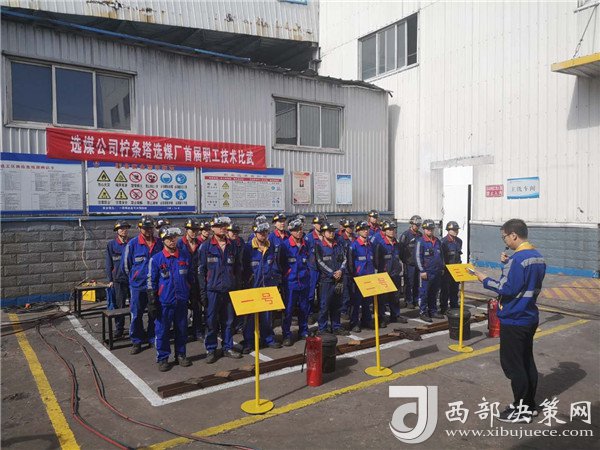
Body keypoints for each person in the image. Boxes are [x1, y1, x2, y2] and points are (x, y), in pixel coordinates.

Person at [472, 219, 546, 423]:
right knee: (526, 361)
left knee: (513, 365)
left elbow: (507, 288)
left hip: (514, 318)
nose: (504, 241)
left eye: (504, 237)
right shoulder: (537, 257)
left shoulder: (518, 260)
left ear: (514, 235)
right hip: (528, 316)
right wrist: (508, 264)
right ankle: (529, 405)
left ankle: (522, 411)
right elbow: (525, 281)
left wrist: (484, 279)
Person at [147, 226, 194, 372]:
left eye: (174, 238)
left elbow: (190, 277)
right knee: (162, 331)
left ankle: (181, 355)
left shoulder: (184, 256)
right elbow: (151, 281)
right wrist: (152, 301)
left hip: (181, 300)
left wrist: (190, 293)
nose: (172, 241)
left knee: (182, 329)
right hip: (164, 302)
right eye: (168, 238)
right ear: (163, 240)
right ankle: (163, 358)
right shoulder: (156, 259)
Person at [198, 216, 243, 363]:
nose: (222, 228)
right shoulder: (205, 247)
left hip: (229, 290)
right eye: (219, 225)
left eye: (224, 225)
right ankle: (211, 349)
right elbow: (201, 271)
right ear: (212, 228)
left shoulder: (232, 246)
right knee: (211, 322)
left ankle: (227, 347)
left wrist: (236, 287)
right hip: (212, 291)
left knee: (228, 321)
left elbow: (237, 268)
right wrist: (203, 292)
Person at [123, 216, 163, 354]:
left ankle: (152, 338)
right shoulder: (132, 244)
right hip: (138, 286)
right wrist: (134, 278)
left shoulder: (159, 243)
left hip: (155, 286)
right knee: (136, 314)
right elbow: (126, 266)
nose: (148, 230)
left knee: (154, 313)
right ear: (140, 228)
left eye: (150, 228)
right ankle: (136, 341)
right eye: (145, 228)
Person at [241, 221, 283, 352]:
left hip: (267, 287)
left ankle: (268, 338)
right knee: (250, 318)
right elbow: (243, 268)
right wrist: (247, 283)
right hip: (253, 288)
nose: (263, 235)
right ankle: (249, 342)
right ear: (255, 233)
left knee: (267, 316)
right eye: (260, 232)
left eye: (265, 232)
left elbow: (275, 266)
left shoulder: (271, 247)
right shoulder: (248, 248)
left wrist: (275, 282)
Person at [279, 218, 311, 346]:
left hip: (304, 281)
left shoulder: (306, 244)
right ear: (291, 231)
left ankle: (303, 331)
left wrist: (307, 273)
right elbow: (280, 263)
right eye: (296, 230)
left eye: (300, 229)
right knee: (288, 310)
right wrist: (286, 275)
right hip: (290, 283)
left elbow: (309, 260)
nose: (299, 232)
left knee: (304, 308)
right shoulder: (285, 245)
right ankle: (286, 335)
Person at [314, 222, 349, 336]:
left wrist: (341, 270)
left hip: (338, 279)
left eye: (333, 231)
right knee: (324, 305)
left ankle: (336, 326)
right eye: (329, 231)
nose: (331, 233)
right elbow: (319, 262)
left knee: (337, 305)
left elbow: (344, 259)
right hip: (326, 280)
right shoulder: (319, 246)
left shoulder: (338, 245)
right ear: (323, 233)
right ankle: (322, 328)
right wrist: (332, 273)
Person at [374, 221, 408, 324]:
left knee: (395, 296)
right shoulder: (380, 244)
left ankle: (395, 315)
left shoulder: (397, 244)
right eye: (389, 230)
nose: (392, 231)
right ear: (384, 231)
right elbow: (376, 260)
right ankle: (381, 317)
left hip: (395, 274)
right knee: (382, 298)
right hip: (384, 275)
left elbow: (401, 257)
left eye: (393, 229)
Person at [177, 218, 204, 341]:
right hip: (183, 280)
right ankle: (181, 332)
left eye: (196, 230)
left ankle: (197, 332)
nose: (194, 232)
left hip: (196, 281)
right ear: (186, 230)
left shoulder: (201, 244)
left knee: (197, 307)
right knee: (182, 308)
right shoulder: (179, 244)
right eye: (191, 230)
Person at [347, 221, 375, 332]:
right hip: (358, 278)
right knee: (356, 302)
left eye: (367, 229)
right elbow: (350, 263)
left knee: (367, 302)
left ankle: (366, 320)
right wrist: (353, 277)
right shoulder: (353, 246)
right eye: (363, 229)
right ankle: (354, 323)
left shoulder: (370, 245)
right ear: (358, 231)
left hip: (369, 277)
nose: (366, 231)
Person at [415, 219, 445, 323]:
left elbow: (441, 256)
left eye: (431, 229)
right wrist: (422, 270)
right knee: (424, 293)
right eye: (427, 229)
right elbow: (418, 257)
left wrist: (442, 267)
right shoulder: (421, 241)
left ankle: (433, 311)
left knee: (434, 292)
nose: (430, 231)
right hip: (426, 272)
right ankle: (423, 312)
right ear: (424, 229)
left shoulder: (437, 241)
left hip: (436, 272)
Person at [105, 220, 131, 339]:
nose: (124, 230)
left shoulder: (132, 243)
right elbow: (108, 263)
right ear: (117, 231)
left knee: (134, 305)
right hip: (118, 280)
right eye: (121, 229)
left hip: (131, 279)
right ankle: (119, 328)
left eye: (125, 228)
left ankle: (135, 328)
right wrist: (110, 280)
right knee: (119, 305)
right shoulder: (111, 245)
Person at [439, 221, 463, 314]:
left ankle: (454, 304)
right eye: (453, 230)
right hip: (446, 269)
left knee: (455, 288)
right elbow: (441, 257)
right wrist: (442, 268)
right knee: (445, 289)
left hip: (456, 268)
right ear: (448, 230)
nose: (456, 231)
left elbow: (458, 255)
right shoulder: (443, 242)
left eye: (457, 229)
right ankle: (443, 307)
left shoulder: (459, 241)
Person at [399, 215, 423, 309]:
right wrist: (405, 261)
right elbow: (401, 250)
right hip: (409, 264)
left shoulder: (420, 235)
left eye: (419, 225)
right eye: (416, 225)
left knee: (417, 282)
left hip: (417, 264)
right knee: (409, 282)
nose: (417, 227)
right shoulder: (405, 235)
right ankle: (408, 300)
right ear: (411, 224)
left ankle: (415, 300)